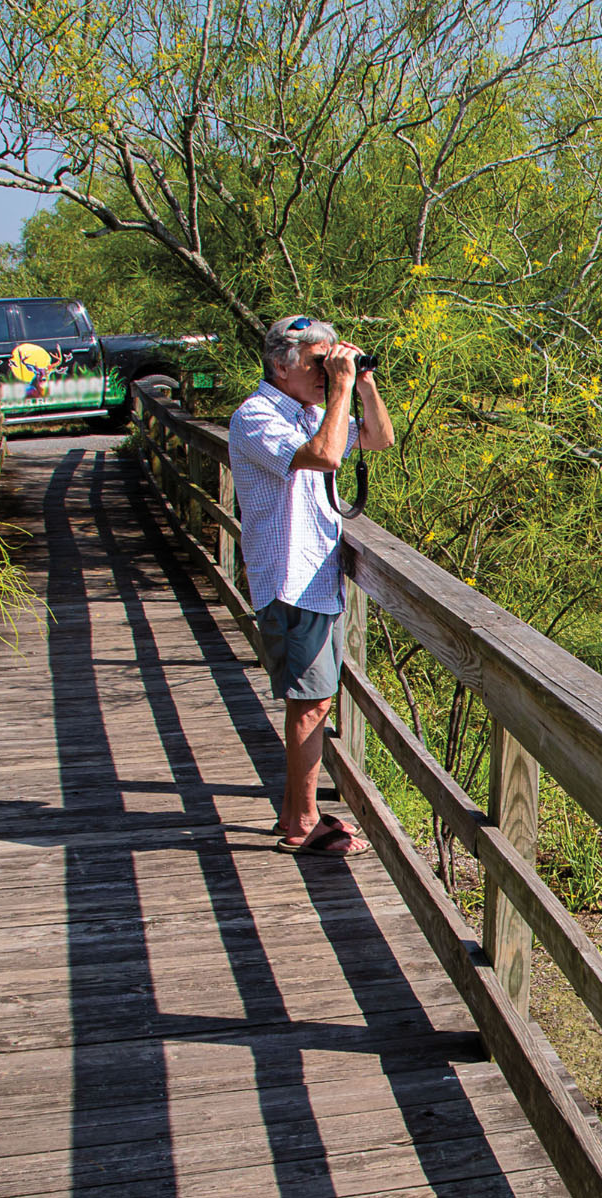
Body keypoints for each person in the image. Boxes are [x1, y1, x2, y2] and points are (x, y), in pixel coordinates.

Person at [228, 315, 394, 856]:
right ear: (280, 363)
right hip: (291, 579)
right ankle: (301, 822)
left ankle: (296, 815)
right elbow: (324, 456)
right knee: (311, 703)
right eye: (315, 362)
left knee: (314, 700)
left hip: (316, 576)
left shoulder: (312, 412)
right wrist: (342, 387)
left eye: (330, 361)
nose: (326, 372)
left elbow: (379, 440)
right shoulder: (255, 417)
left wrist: (362, 383)